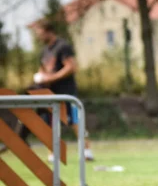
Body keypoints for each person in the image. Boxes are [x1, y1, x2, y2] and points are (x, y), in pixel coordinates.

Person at [3, 21, 94, 161]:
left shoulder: (62, 47)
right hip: (49, 92)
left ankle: (86, 150)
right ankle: (53, 152)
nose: (38, 36)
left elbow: (71, 67)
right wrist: (40, 77)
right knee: (50, 122)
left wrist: (52, 77)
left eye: (40, 32)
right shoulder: (45, 51)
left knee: (75, 121)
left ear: (48, 31)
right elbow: (43, 69)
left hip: (66, 91)